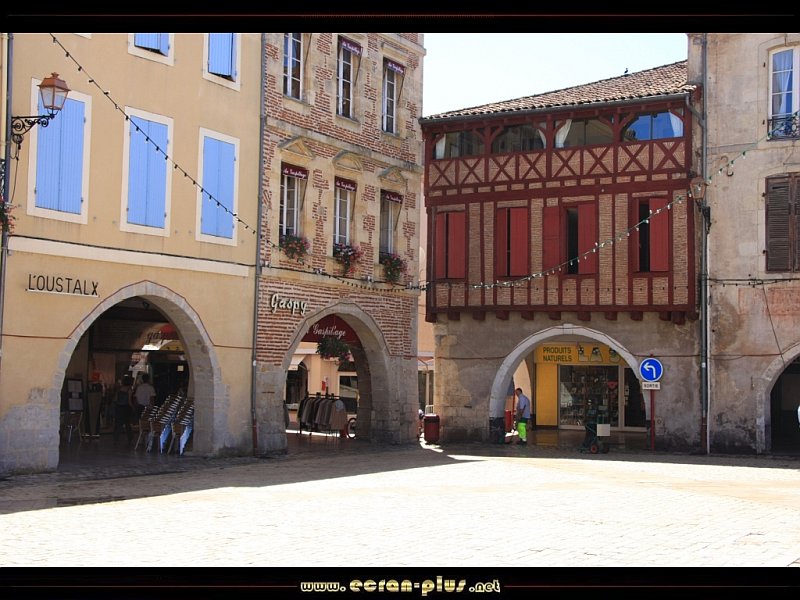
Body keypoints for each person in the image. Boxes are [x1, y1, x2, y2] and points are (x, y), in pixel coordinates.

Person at [113, 375, 135, 444]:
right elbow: (129, 401)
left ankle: (115, 438)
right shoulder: (129, 389)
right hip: (126, 408)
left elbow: (115, 399)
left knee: (118, 424)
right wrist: (133, 408)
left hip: (119, 407)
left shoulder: (119, 389)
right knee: (127, 423)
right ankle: (130, 438)